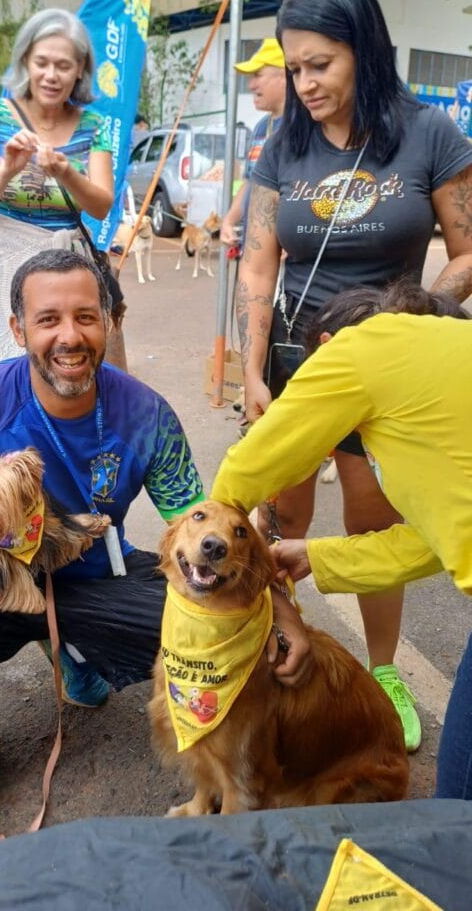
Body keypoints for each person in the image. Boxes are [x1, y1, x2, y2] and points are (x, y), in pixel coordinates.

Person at [0, 250, 302, 854]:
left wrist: (282, 612)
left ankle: (69, 644)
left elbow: (203, 531)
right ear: (18, 329)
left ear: (109, 320)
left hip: (94, 574)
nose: (69, 336)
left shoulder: (146, 415)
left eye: (86, 317)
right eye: (48, 319)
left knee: (225, 642)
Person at [236, 0, 472, 752]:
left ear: (365, 50)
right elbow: (259, 268)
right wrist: (249, 370)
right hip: (302, 356)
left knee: (377, 521)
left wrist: (421, 315)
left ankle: (385, 671)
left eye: (319, 64)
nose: (303, 82)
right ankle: (287, 649)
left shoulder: (427, 132)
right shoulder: (283, 145)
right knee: (284, 516)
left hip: (394, 370)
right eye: (293, 66)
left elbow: (469, 250)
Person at [211, 280, 472, 799]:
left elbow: (242, 477)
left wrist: (223, 544)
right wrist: (316, 557)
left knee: (457, 815)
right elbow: (433, 542)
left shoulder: (359, 349)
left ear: (326, 348)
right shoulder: (444, 369)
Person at [0, 7, 121, 376]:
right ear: (25, 62)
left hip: (70, 269)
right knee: (11, 370)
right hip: (3, 264)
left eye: (63, 65)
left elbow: (101, 205)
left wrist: (66, 174)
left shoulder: (93, 125)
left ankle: (63, 435)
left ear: (80, 69)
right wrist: (5, 171)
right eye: (41, 62)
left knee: (68, 365)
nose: (51, 75)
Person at [219, 38, 286, 252]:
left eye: (258, 75)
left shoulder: (308, 129)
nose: (250, 85)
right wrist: (229, 220)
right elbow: (251, 180)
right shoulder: (260, 128)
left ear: (284, 76)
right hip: (255, 248)